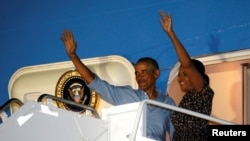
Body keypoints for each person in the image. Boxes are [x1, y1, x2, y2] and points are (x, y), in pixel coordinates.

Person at [60, 30, 176, 141]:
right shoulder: (126, 94)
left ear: (156, 73)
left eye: (144, 72)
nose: (139, 76)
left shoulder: (168, 103)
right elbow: (94, 82)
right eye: (136, 73)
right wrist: (73, 55)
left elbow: (175, 135)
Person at [160, 11, 214, 141]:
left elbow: (188, 64)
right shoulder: (188, 99)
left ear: (197, 75)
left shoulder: (203, 94)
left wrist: (171, 34)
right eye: (179, 75)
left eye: (185, 74)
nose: (180, 79)